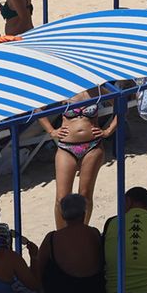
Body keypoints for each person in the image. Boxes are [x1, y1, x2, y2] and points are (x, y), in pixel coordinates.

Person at [40, 90, 116, 227]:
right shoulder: (64, 88)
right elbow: (38, 109)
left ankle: (82, 231)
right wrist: (51, 131)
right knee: (61, 199)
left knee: (85, 195)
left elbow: (120, 104)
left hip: (93, 146)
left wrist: (109, 131)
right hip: (66, 147)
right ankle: (62, 235)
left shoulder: (97, 89)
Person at [35, 193, 106, 293]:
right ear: (84, 214)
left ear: (63, 216)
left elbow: (37, 270)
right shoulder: (94, 233)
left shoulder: (52, 238)